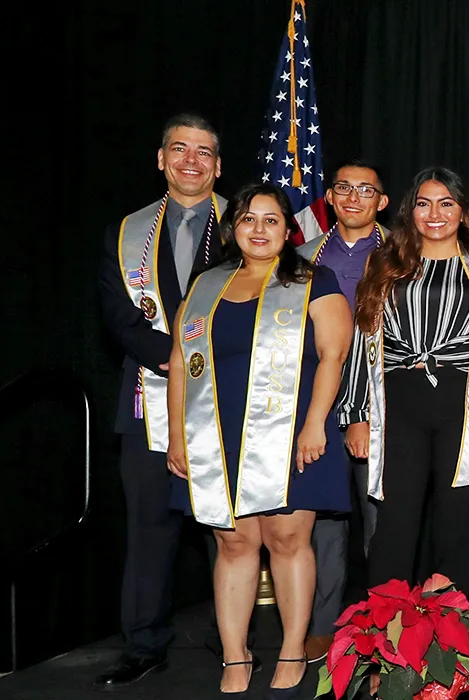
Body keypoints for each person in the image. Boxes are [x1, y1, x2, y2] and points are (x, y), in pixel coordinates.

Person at [166, 183, 354, 697]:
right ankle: (235, 654)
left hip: (293, 431)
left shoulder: (316, 280)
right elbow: (182, 361)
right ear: (233, 228)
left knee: (288, 540)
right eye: (249, 219)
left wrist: (316, 423)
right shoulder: (207, 284)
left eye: (271, 220)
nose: (259, 229)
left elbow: (333, 356)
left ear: (287, 229)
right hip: (217, 432)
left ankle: (293, 647)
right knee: (234, 542)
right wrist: (179, 434)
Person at [93, 113, 228, 690]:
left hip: (229, 400)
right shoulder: (126, 233)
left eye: (203, 152)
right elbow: (117, 315)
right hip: (148, 398)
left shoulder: (249, 222)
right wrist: (173, 358)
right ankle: (143, 644)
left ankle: (234, 638)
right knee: (148, 527)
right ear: (161, 158)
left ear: (219, 166)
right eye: (180, 149)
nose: (191, 160)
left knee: (230, 528)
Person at [338, 167, 469, 593]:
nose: (434, 213)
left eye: (446, 203)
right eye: (424, 203)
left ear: (462, 211)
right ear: (410, 210)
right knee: (395, 526)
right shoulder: (386, 265)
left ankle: (450, 648)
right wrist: (356, 413)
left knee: (455, 529)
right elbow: (363, 342)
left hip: (464, 409)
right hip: (399, 405)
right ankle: (383, 639)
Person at [296, 157, 388, 661]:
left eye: (366, 190)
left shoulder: (403, 254)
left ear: (383, 201)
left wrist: (367, 412)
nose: (354, 198)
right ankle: (323, 624)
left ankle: (382, 627)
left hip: (381, 404)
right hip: (317, 403)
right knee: (325, 520)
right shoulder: (302, 257)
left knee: (379, 520)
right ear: (329, 197)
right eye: (344, 189)